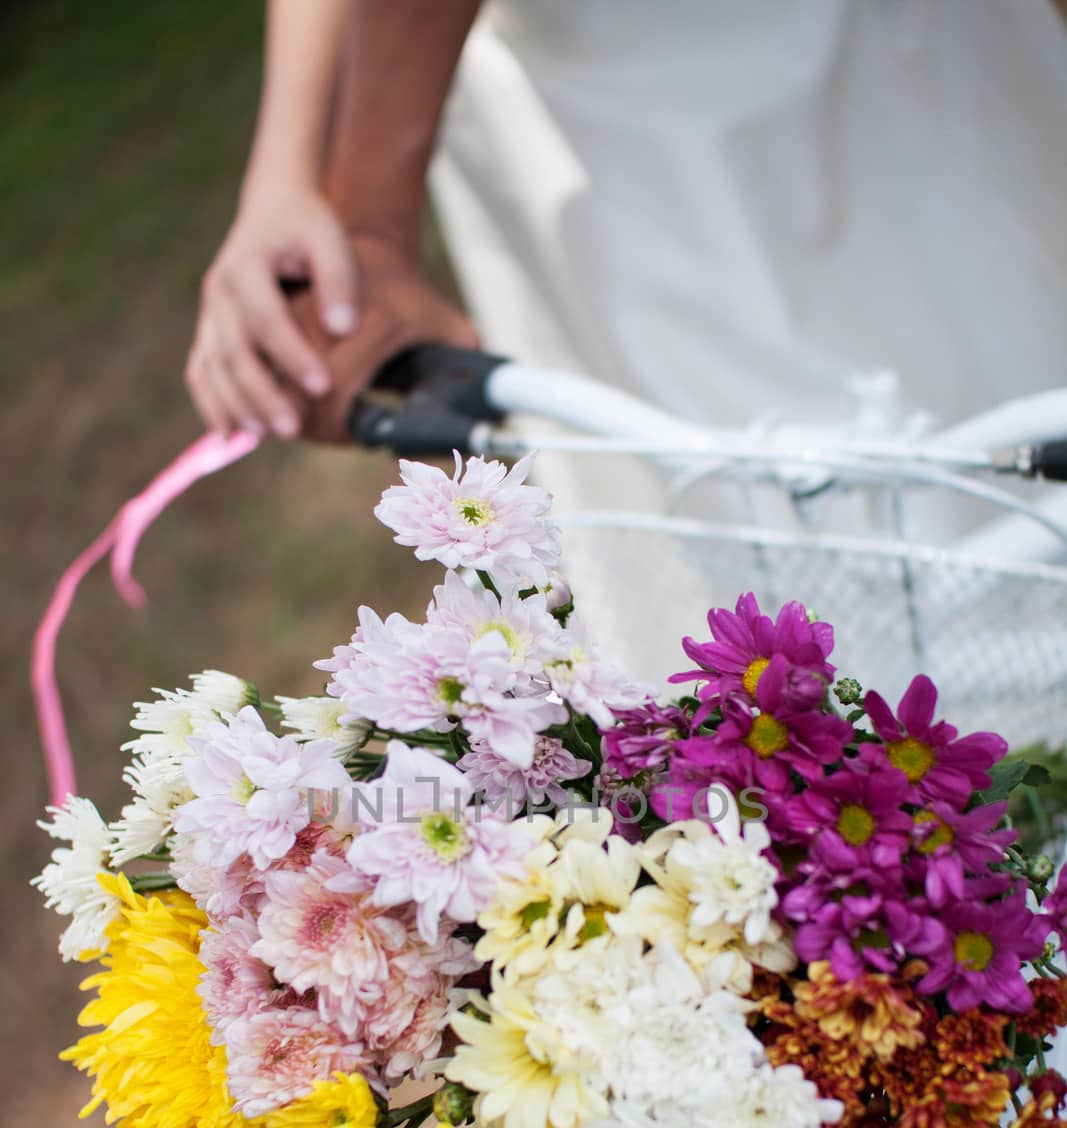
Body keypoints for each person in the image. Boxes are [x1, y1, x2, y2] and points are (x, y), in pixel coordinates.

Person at [187, 0, 1067, 681]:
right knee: (784, 565)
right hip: (607, 134)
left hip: (889, 65)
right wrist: (292, 180)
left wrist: (365, 218)